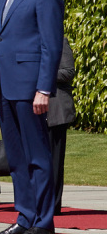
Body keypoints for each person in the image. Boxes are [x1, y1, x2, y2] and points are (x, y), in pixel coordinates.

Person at [0, 0, 64, 234]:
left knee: (38, 156)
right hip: (6, 88)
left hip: (31, 88)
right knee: (17, 158)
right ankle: (25, 217)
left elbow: (50, 44)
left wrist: (43, 89)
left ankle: (43, 223)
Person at [47, 34, 76, 217]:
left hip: (55, 109)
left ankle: (53, 205)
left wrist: (42, 74)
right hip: (33, 112)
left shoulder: (59, 40)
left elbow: (68, 72)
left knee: (54, 162)